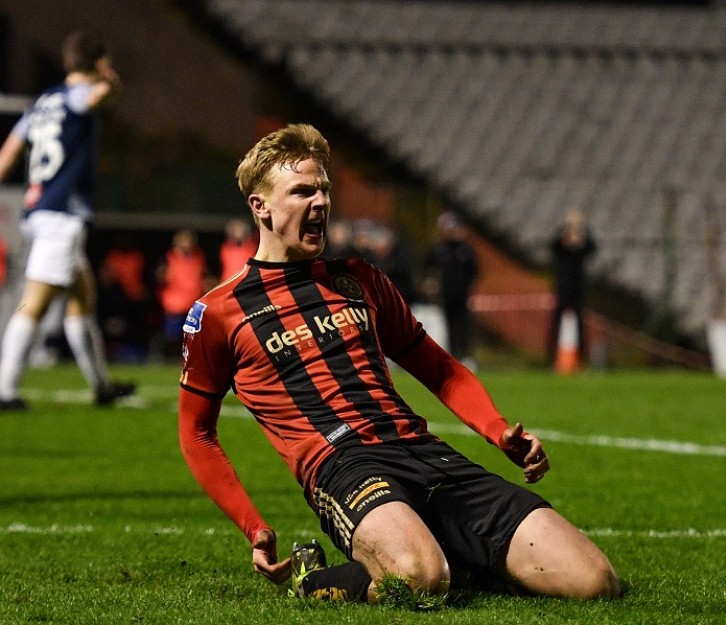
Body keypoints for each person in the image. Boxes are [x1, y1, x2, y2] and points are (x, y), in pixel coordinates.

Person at [177, 123, 620, 606]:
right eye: (302, 191)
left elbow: (439, 369)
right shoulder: (218, 313)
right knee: (420, 580)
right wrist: (254, 525)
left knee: (594, 582)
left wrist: (497, 430)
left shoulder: (359, 279)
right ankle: (314, 579)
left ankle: (452, 553)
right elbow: (197, 433)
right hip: (344, 468)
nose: (320, 202)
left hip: (424, 452)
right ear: (259, 206)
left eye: (324, 189)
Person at [0, 30, 134, 410]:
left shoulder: (43, 102)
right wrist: (110, 80)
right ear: (97, 63)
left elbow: (9, 150)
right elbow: (100, 97)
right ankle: (5, 389)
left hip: (39, 208)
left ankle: (102, 386)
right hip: (61, 214)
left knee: (82, 298)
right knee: (34, 303)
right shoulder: (79, 97)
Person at [424, 212, 479, 368]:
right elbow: (427, 269)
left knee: (464, 327)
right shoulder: (439, 250)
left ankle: (466, 357)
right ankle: (452, 357)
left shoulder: (466, 250)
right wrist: (430, 283)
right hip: (444, 296)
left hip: (462, 296)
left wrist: (467, 286)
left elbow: (474, 271)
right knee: (446, 327)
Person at [547, 208, 596, 368]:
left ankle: (581, 359)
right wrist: (567, 227)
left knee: (580, 325)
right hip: (562, 289)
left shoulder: (581, 250)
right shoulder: (562, 250)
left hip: (578, 289)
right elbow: (553, 245)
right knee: (556, 324)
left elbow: (591, 247)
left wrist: (581, 227)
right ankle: (552, 359)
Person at [156, 229, 207, 362]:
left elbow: (203, 277)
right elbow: (160, 276)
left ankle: (188, 358)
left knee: (192, 334)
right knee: (172, 334)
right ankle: (169, 359)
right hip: (174, 303)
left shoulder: (198, 257)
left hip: (193, 303)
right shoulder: (168, 258)